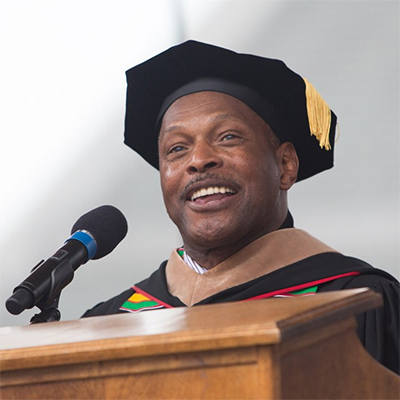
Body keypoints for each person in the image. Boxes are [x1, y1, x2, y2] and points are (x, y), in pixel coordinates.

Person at [82, 40, 399, 375]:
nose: (199, 160)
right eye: (177, 148)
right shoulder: (111, 321)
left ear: (286, 165)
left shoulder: (359, 304)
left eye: (228, 137)